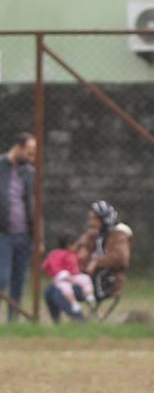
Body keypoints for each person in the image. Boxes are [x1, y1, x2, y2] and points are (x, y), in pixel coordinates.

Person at [0, 132, 36, 322]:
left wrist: (38, 237)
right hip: (2, 234)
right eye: (29, 153)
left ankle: (12, 320)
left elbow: (34, 204)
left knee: (18, 280)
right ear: (18, 147)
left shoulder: (29, 172)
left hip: (24, 234)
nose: (32, 158)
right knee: (2, 278)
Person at [73, 200, 133, 309]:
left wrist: (96, 262)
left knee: (63, 291)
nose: (91, 222)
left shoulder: (118, 235)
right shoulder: (94, 233)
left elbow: (121, 258)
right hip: (87, 278)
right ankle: (74, 319)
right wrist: (83, 248)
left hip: (106, 282)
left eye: (94, 219)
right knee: (54, 290)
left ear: (104, 220)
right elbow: (77, 248)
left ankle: (78, 318)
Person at [42, 235, 94, 322]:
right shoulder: (69, 254)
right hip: (70, 281)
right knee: (49, 291)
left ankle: (79, 320)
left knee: (57, 293)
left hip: (84, 286)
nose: (77, 247)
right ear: (69, 246)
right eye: (76, 245)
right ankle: (57, 322)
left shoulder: (75, 253)